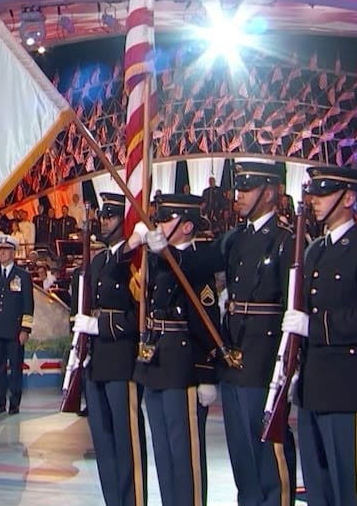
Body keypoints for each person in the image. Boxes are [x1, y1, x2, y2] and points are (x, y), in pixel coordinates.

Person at [281, 167, 357, 506]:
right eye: (313, 194)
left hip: (348, 384)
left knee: (351, 486)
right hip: (313, 384)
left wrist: (314, 326)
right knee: (319, 487)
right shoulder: (314, 250)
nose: (315, 201)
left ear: (348, 198)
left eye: (324, 194)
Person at [215, 162, 296, 506]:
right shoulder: (236, 238)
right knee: (240, 446)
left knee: (266, 442)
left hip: (265, 355)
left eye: (247, 190)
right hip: (234, 349)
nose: (239, 196)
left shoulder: (286, 240)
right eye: (239, 189)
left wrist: (292, 361)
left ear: (269, 193)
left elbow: (293, 304)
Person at [138, 194, 222, 506]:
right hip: (156, 363)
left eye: (167, 219)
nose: (159, 225)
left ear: (187, 226)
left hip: (183, 367)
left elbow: (206, 321)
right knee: (163, 453)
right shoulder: (158, 261)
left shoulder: (197, 263)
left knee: (185, 454)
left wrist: (206, 375)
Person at [71, 192, 147, 506]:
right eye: (102, 216)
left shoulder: (136, 264)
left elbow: (141, 318)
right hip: (96, 361)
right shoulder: (99, 261)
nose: (104, 222)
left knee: (126, 442)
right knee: (103, 442)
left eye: (111, 216)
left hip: (121, 360)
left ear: (125, 221)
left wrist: (100, 326)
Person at [0, 234, 34, 415]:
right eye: (0, 249)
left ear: (13, 252)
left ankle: (15, 402)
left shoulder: (23, 276)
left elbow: (28, 304)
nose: (2, 253)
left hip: (14, 330)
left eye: (5, 250)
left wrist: (25, 329)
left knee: (15, 367)